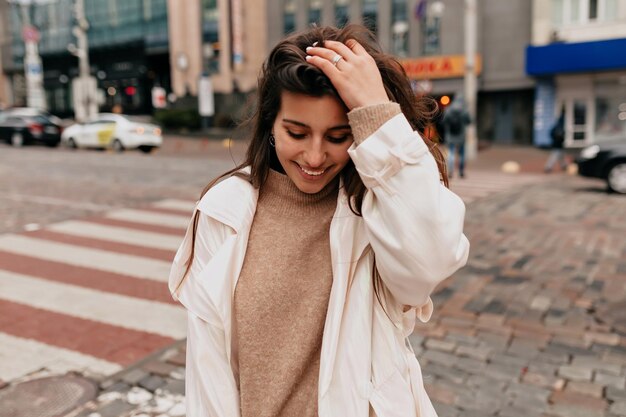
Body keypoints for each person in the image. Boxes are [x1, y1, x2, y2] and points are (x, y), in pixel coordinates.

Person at [169, 24, 469, 417]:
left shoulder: (376, 208)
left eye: (337, 137)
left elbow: (433, 257)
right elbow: (208, 371)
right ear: (271, 127)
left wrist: (379, 115)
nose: (314, 157)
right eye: (296, 132)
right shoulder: (223, 210)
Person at [442, 94, 471, 178]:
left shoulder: (449, 109)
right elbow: (469, 121)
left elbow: (444, 122)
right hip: (461, 136)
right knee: (462, 154)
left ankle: (451, 171)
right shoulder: (464, 110)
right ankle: (461, 172)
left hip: (450, 136)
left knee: (451, 153)